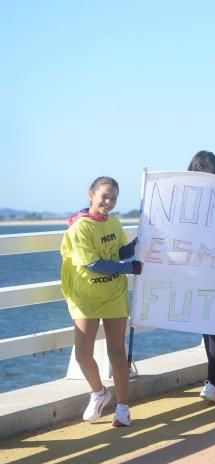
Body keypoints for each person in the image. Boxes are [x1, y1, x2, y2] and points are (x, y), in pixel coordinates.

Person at [60, 177, 142, 427]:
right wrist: (129, 267)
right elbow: (93, 264)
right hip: (85, 297)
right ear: (91, 195)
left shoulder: (114, 223)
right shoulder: (80, 227)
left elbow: (117, 252)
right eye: (104, 196)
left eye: (114, 198)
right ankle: (99, 392)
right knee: (83, 355)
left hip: (114, 294)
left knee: (117, 352)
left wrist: (139, 243)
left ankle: (123, 408)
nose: (108, 202)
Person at [187, 151, 215, 403]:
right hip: (199, 271)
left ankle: (214, 380)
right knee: (207, 326)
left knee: (214, 326)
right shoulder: (190, 201)